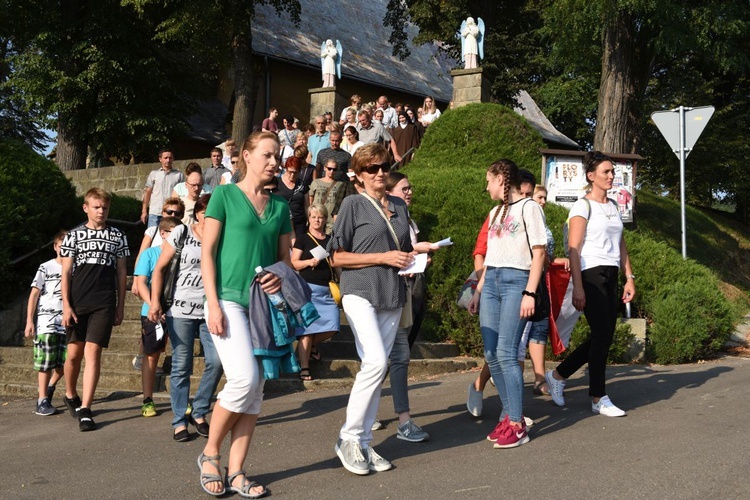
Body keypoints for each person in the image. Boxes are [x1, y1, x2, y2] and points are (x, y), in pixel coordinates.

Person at [329, 143, 434, 475]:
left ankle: (362, 442)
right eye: (371, 169)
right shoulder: (353, 204)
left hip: (392, 293)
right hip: (359, 290)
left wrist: (417, 252)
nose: (379, 173)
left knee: (378, 367)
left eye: (383, 166)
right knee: (374, 361)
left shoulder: (400, 207)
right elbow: (337, 256)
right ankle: (348, 438)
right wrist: (383, 258)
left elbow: (400, 249)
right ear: (359, 175)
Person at [198, 131, 292, 497]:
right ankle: (209, 454)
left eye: (277, 156)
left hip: (263, 306)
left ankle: (237, 471)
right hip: (227, 299)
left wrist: (278, 276)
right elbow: (208, 253)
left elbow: (285, 261)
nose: (274, 162)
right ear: (247, 157)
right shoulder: (223, 195)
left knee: (256, 390)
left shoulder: (281, 208)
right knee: (243, 379)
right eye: (267, 155)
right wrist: (213, 304)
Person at [545, 151, 636, 417]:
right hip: (590, 273)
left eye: (612, 172)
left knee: (603, 335)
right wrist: (579, 286)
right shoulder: (582, 207)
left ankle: (558, 375)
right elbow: (574, 249)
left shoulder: (613, 206)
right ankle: (598, 397)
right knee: (603, 333)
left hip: (611, 272)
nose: (611, 176)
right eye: (606, 172)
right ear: (591, 176)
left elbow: (621, 244)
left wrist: (629, 277)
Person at [467, 159, 546, 449]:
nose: (486, 186)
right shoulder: (495, 212)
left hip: (517, 282)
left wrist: (530, 293)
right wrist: (478, 290)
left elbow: (539, 254)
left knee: (506, 352)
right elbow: (490, 258)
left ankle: (516, 422)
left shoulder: (530, 207)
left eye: (489, 180)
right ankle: (511, 414)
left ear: (502, 179)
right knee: (491, 352)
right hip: (492, 284)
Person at [149, 194, 224, 442]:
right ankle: (179, 420)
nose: (208, 216)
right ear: (198, 212)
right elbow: (160, 268)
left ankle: (199, 410)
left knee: (216, 361)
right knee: (182, 366)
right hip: (179, 310)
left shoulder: (220, 236)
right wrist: (155, 301)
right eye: (205, 212)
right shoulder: (181, 232)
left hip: (208, 309)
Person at [61, 188, 130, 432]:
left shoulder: (118, 236)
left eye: (105, 207)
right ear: (86, 207)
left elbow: (122, 273)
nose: (101, 211)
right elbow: (66, 273)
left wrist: (120, 305)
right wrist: (66, 305)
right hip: (78, 302)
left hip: (104, 302)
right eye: (97, 207)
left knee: (93, 353)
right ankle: (70, 394)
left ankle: (86, 409)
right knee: (73, 355)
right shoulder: (73, 236)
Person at [376, 171, 430, 443]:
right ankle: (364, 417)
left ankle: (404, 421)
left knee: (400, 356)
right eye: (404, 188)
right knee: (375, 361)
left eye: (410, 188)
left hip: (401, 293)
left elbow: (406, 250)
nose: (409, 192)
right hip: (376, 295)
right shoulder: (368, 213)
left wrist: (417, 258)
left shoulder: (405, 217)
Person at [134, 217, 179, 418]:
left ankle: (181, 399)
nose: (177, 237)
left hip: (179, 311)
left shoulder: (182, 256)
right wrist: (153, 303)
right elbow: (141, 282)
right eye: (172, 232)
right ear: (163, 233)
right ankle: (147, 399)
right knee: (151, 355)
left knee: (181, 355)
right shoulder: (150, 254)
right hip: (152, 312)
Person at [291, 204, 340, 380]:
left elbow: (336, 263)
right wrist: (308, 262)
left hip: (327, 291)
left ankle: (311, 346)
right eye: (313, 217)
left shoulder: (330, 240)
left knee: (334, 325)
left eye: (320, 217)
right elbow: (294, 263)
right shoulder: (303, 239)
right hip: (307, 290)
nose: (317, 220)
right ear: (308, 219)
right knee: (306, 330)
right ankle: (304, 367)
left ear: (325, 219)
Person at [25, 229, 68, 416]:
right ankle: (41, 400)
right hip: (46, 322)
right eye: (60, 246)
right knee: (45, 363)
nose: (63, 249)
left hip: (66, 322)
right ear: (55, 247)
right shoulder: (46, 267)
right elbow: (34, 294)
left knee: (64, 365)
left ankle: (50, 388)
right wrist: (29, 321)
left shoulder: (74, 267)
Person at [131, 198, 185, 299]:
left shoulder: (184, 233)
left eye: (177, 213)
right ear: (163, 213)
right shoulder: (153, 231)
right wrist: (135, 280)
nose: (173, 215)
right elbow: (141, 255)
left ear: (182, 215)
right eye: (169, 212)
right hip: (151, 270)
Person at [141, 148, 184, 227]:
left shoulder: (179, 175)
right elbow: (147, 192)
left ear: (173, 159)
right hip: (155, 212)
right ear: (160, 159)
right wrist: (144, 211)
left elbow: (182, 195)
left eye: (170, 158)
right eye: (165, 158)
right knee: (152, 236)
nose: (168, 160)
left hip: (171, 213)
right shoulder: (154, 174)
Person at [308, 158, 349, 235]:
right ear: (325, 168)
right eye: (329, 168)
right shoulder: (316, 182)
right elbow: (310, 201)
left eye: (334, 169)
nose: (331, 171)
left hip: (331, 221)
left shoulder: (340, 184)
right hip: (316, 218)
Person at [275, 156, 310, 240]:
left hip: (299, 222)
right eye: (290, 172)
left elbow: (306, 205)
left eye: (296, 172)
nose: (292, 175)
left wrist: (310, 221)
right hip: (281, 221)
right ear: (286, 169)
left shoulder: (302, 185)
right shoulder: (277, 182)